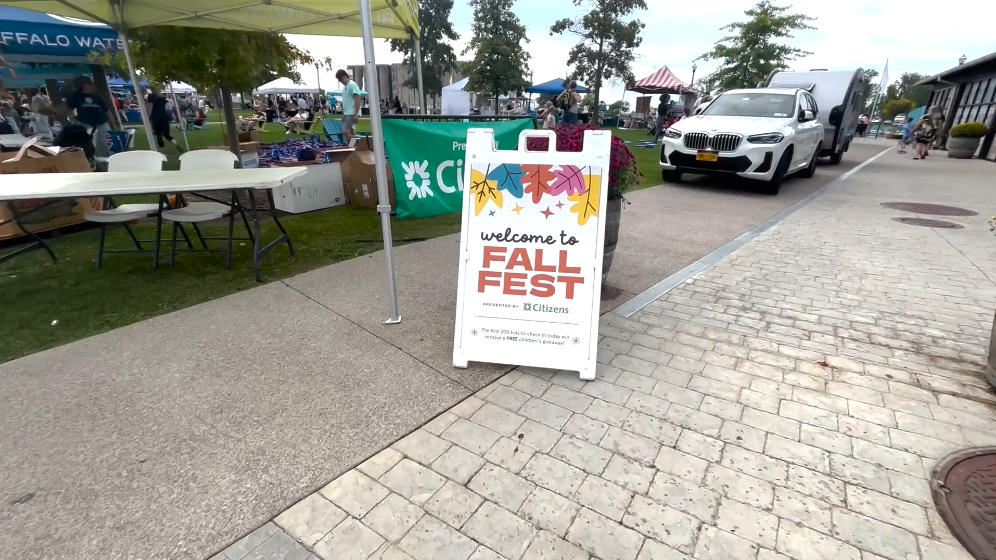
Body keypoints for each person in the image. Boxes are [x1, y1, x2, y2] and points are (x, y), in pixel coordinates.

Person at [65, 76, 112, 159]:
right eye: (90, 84)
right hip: (85, 123)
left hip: (101, 122)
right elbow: (69, 108)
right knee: (87, 143)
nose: (93, 86)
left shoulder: (97, 96)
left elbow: (106, 111)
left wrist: (113, 123)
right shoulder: (77, 95)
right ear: (84, 85)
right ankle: (88, 158)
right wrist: (72, 120)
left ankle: (104, 159)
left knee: (104, 142)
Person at [146, 88, 183, 152]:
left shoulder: (151, 100)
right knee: (166, 135)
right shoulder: (162, 100)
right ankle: (175, 143)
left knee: (158, 135)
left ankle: (162, 150)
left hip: (156, 118)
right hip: (164, 118)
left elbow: (148, 102)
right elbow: (167, 102)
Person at [336, 69, 361, 142]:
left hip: (352, 112)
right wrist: (344, 114)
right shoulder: (344, 88)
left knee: (346, 132)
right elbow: (346, 102)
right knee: (351, 132)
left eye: (340, 79)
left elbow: (357, 99)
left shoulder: (352, 85)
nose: (340, 81)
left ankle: (353, 147)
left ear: (344, 76)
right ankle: (356, 147)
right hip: (347, 113)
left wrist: (356, 113)